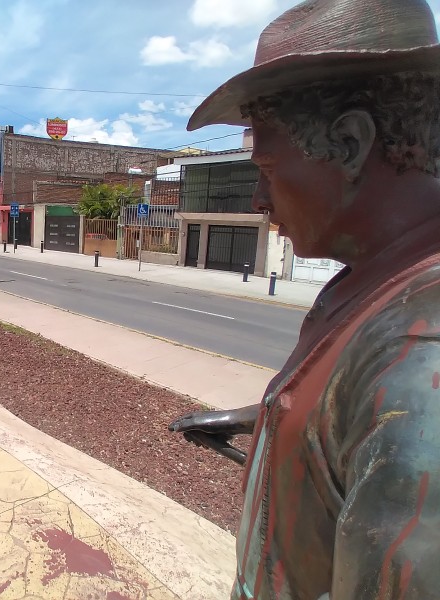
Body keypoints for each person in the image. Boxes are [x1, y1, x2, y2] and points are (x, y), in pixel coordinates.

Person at [169, 0, 440, 598]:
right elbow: (347, 410)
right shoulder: (372, 279)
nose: (260, 198)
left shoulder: (422, 352)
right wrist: (263, 414)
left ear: (348, 143)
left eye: (266, 166)